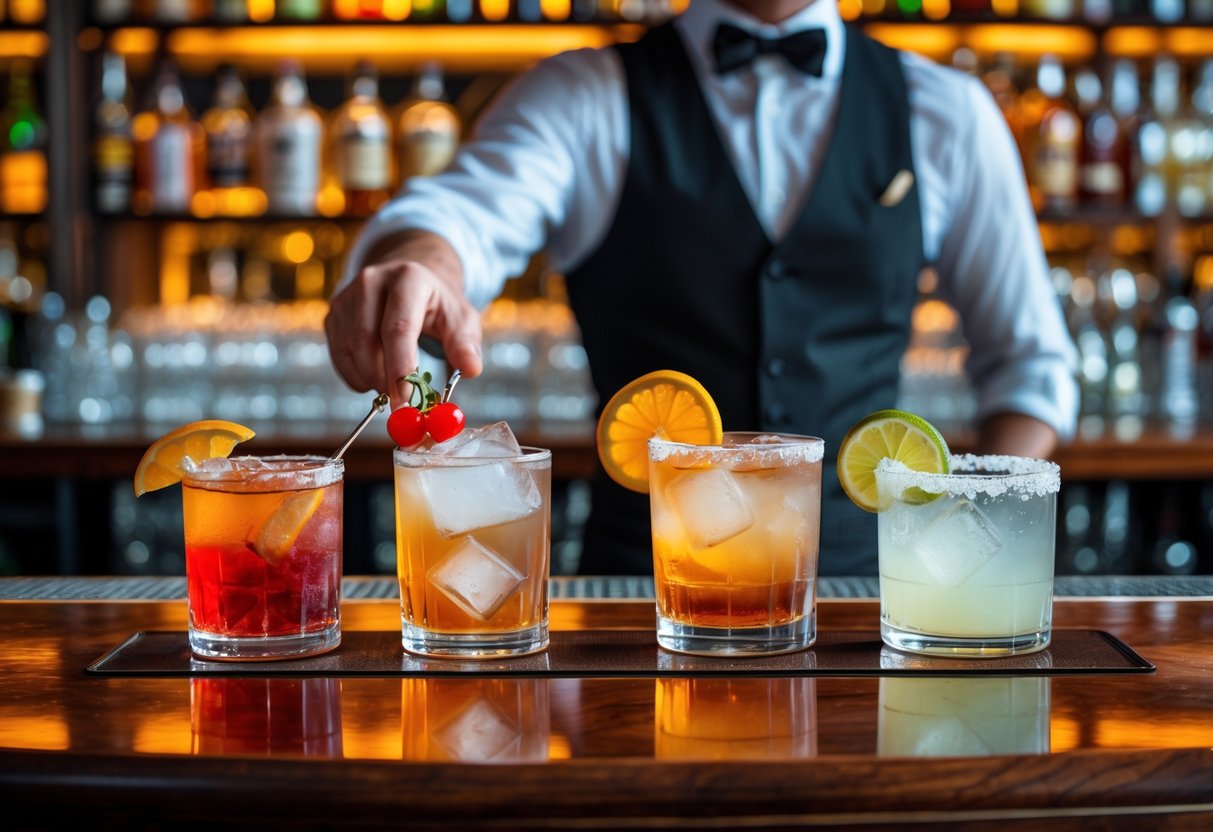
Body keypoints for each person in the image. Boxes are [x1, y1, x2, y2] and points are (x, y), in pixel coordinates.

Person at [325, 0, 1079, 576]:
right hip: (641, 597)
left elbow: (1029, 366)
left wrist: (962, 535)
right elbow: (456, 218)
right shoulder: (582, 94)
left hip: (868, 593)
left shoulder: (945, 110)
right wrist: (421, 265)